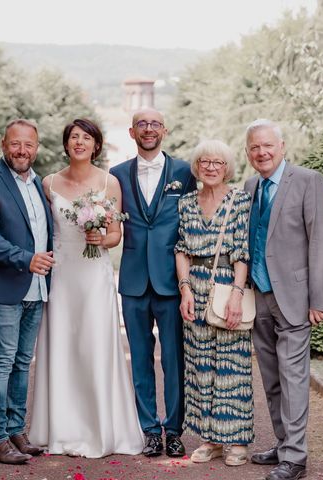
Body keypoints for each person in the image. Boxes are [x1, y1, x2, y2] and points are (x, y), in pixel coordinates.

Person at [29, 118, 143, 457]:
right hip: (61, 276)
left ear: (96, 145)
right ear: (66, 144)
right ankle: (61, 428)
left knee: (95, 346)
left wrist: (101, 238)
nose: (80, 142)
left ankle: (102, 429)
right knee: (62, 347)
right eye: (74, 137)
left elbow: (115, 235)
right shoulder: (48, 182)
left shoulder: (109, 183)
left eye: (87, 137)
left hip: (94, 276)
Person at [244, 119, 323, 480]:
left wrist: (320, 299)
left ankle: (295, 459)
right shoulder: (251, 185)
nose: (262, 152)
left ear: (282, 147)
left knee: (294, 376)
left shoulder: (307, 180)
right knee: (271, 378)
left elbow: (322, 241)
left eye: (268, 145)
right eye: (255, 147)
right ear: (248, 153)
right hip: (259, 296)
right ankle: (284, 446)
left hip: (296, 297)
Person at [110, 108, 195, 457]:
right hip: (132, 281)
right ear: (132, 132)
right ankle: (148, 429)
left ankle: (174, 429)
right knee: (140, 359)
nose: (149, 129)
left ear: (165, 130)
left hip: (171, 282)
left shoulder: (185, 172)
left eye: (155, 124)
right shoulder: (115, 175)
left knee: (174, 359)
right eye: (142, 124)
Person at [0, 119, 54, 465]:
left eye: (29, 145)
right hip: (5, 286)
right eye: (16, 144)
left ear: (37, 147)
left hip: (36, 287)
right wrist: (26, 259)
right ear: (4, 144)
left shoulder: (37, 182)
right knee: (3, 362)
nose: (23, 151)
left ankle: (17, 430)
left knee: (22, 362)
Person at [174, 140, 254, 466]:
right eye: (204, 161)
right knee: (200, 366)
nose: (210, 167)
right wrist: (185, 290)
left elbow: (242, 251)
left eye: (217, 162)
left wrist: (237, 293)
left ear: (227, 168)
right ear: (196, 166)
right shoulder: (186, 203)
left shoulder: (240, 200)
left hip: (227, 288)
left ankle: (235, 440)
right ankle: (209, 439)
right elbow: (181, 249)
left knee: (232, 366)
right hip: (195, 288)